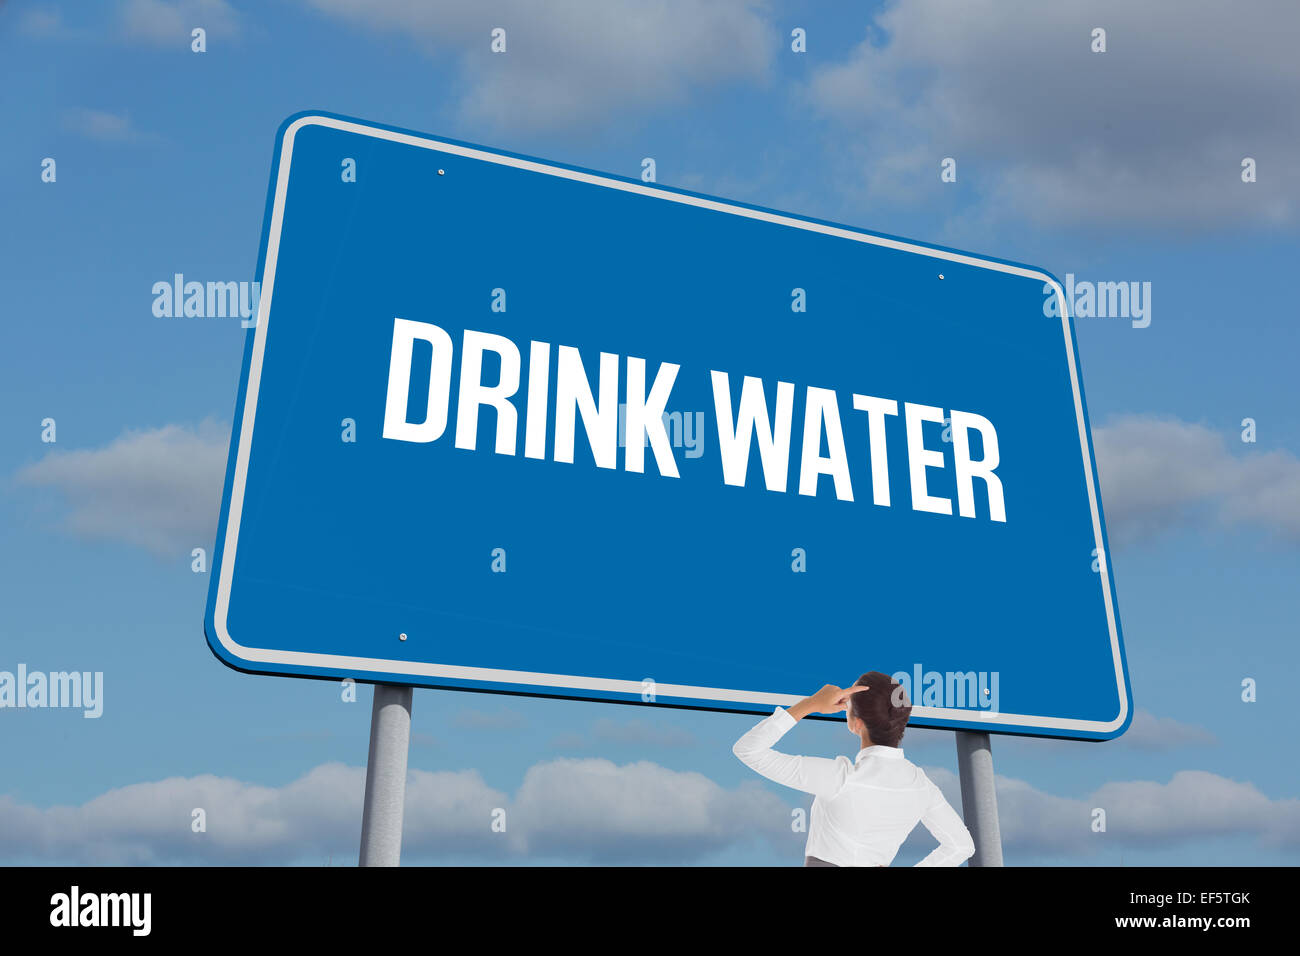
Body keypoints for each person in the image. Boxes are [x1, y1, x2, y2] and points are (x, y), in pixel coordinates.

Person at [732, 672, 975, 867]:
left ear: (856, 723)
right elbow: (962, 846)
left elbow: (748, 750)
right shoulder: (920, 784)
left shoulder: (840, 778)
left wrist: (810, 704)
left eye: (847, 704)